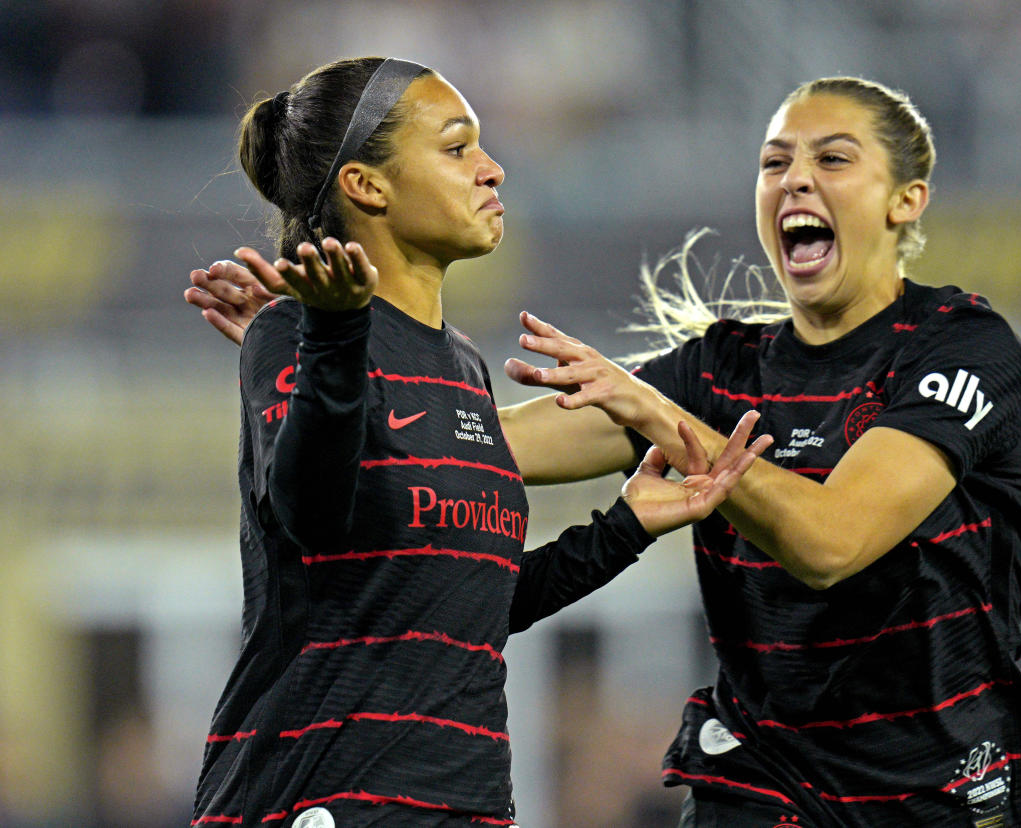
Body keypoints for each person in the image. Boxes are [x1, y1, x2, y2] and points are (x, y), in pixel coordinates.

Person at [188, 75, 1021, 827]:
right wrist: (323, 367)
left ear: (908, 198)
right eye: (774, 162)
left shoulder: (960, 349)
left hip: (939, 778)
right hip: (761, 780)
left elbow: (832, 542)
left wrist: (648, 405)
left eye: (831, 160)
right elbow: (458, 450)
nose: (794, 180)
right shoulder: (722, 370)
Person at [188, 56, 772, 828]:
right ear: (368, 185)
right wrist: (333, 335)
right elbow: (311, 514)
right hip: (321, 795)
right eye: (457, 147)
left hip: (462, 802)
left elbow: (470, 603)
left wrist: (624, 529)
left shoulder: (457, 362)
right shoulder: (292, 329)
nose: (492, 169)